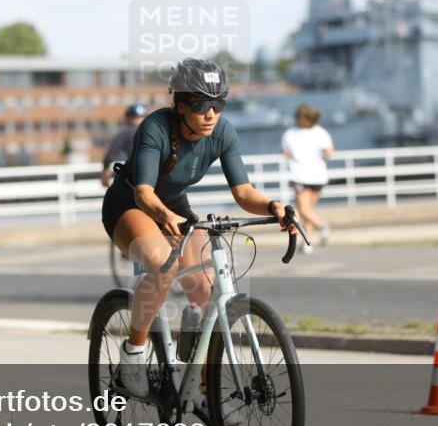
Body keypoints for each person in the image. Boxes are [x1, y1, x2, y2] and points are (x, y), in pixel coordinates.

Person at [101, 58, 297, 398]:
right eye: (200, 105)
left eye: (218, 104)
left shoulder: (222, 132)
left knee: (206, 290)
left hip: (175, 206)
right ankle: (132, 356)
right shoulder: (156, 128)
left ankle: (199, 376)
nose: (210, 114)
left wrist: (272, 206)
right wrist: (164, 217)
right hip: (129, 205)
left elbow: (243, 192)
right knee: (165, 266)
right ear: (180, 105)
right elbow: (143, 192)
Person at [281, 103, 335, 253]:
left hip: (301, 175)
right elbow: (329, 151)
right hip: (318, 176)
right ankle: (307, 243)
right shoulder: (321, 132)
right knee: (308, 211)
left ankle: (322, 227)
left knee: (304, 211)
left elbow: (286, 153)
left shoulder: (290, 134)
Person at [100, 103, 148, 187]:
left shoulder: (126, 132)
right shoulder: (154, 131)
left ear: (128, 118)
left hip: (136, 174)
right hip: (157, 172)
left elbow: (111, 153)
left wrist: (105, 172)